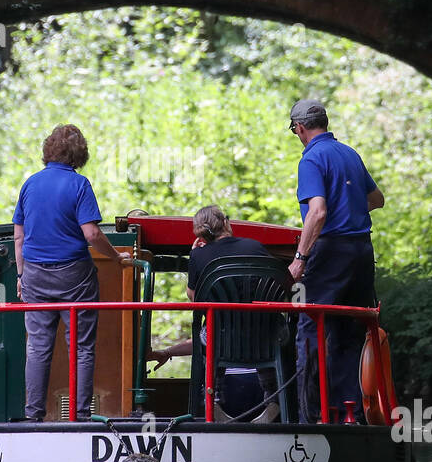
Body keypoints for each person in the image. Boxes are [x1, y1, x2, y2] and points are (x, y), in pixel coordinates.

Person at [13, 124, 130, 421]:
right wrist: (116, 257)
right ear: (80, 154)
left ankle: (33, 416)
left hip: (35, 275)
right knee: (81, 347)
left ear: (48, 149)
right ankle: (79, 415)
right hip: (74, 277)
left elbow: (19, 236)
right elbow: (91, 234)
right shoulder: (79, 185)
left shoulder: (30, 184)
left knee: (38, 347)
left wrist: (21, 276)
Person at [286, 99, 384, 423]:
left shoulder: (312, 158)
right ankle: (349, 414)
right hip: (362, 251)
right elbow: (376, 199)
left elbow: (318, 212)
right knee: (350, 331)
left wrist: (300, 258)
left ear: (299, 128)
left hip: (330, 252)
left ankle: (309, 415)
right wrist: (350, 211)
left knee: (309, 326)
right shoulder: (349, 154)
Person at [148, 205, 285, 422]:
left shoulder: (199, 256)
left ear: (201, 234)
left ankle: (213, 399)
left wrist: (195, 254)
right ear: (226, 223)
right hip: (264, 338)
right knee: (266, 327)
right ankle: (275, 400)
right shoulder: (256, 247)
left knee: (211, 328)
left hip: (221, 339)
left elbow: (194, 298)